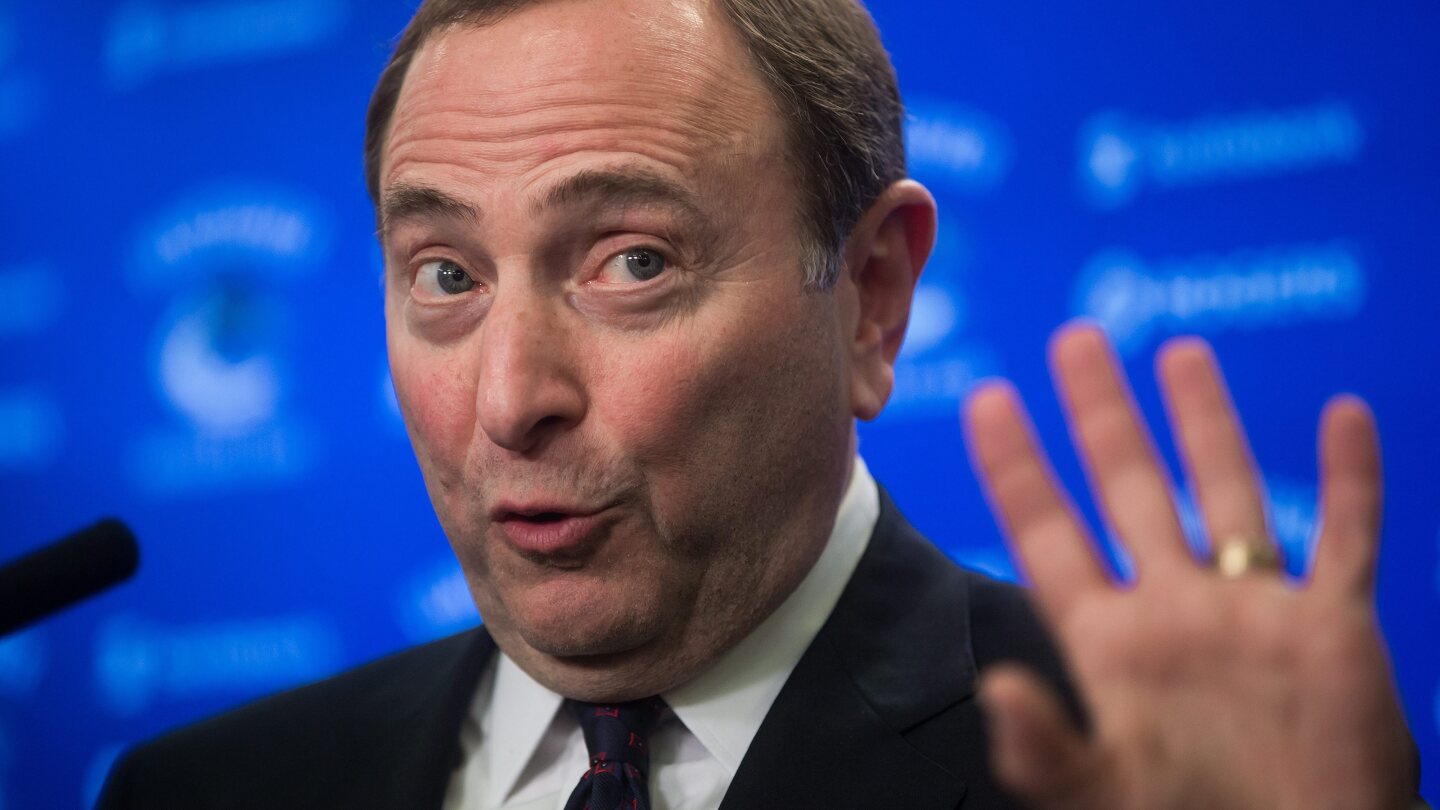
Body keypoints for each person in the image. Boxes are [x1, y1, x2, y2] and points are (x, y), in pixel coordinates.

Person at [96, 0, 1421, 807]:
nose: (508, 401)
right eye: (446, 274)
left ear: (872, 296)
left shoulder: (1144, 770)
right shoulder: (203, 790)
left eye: (632, 262)